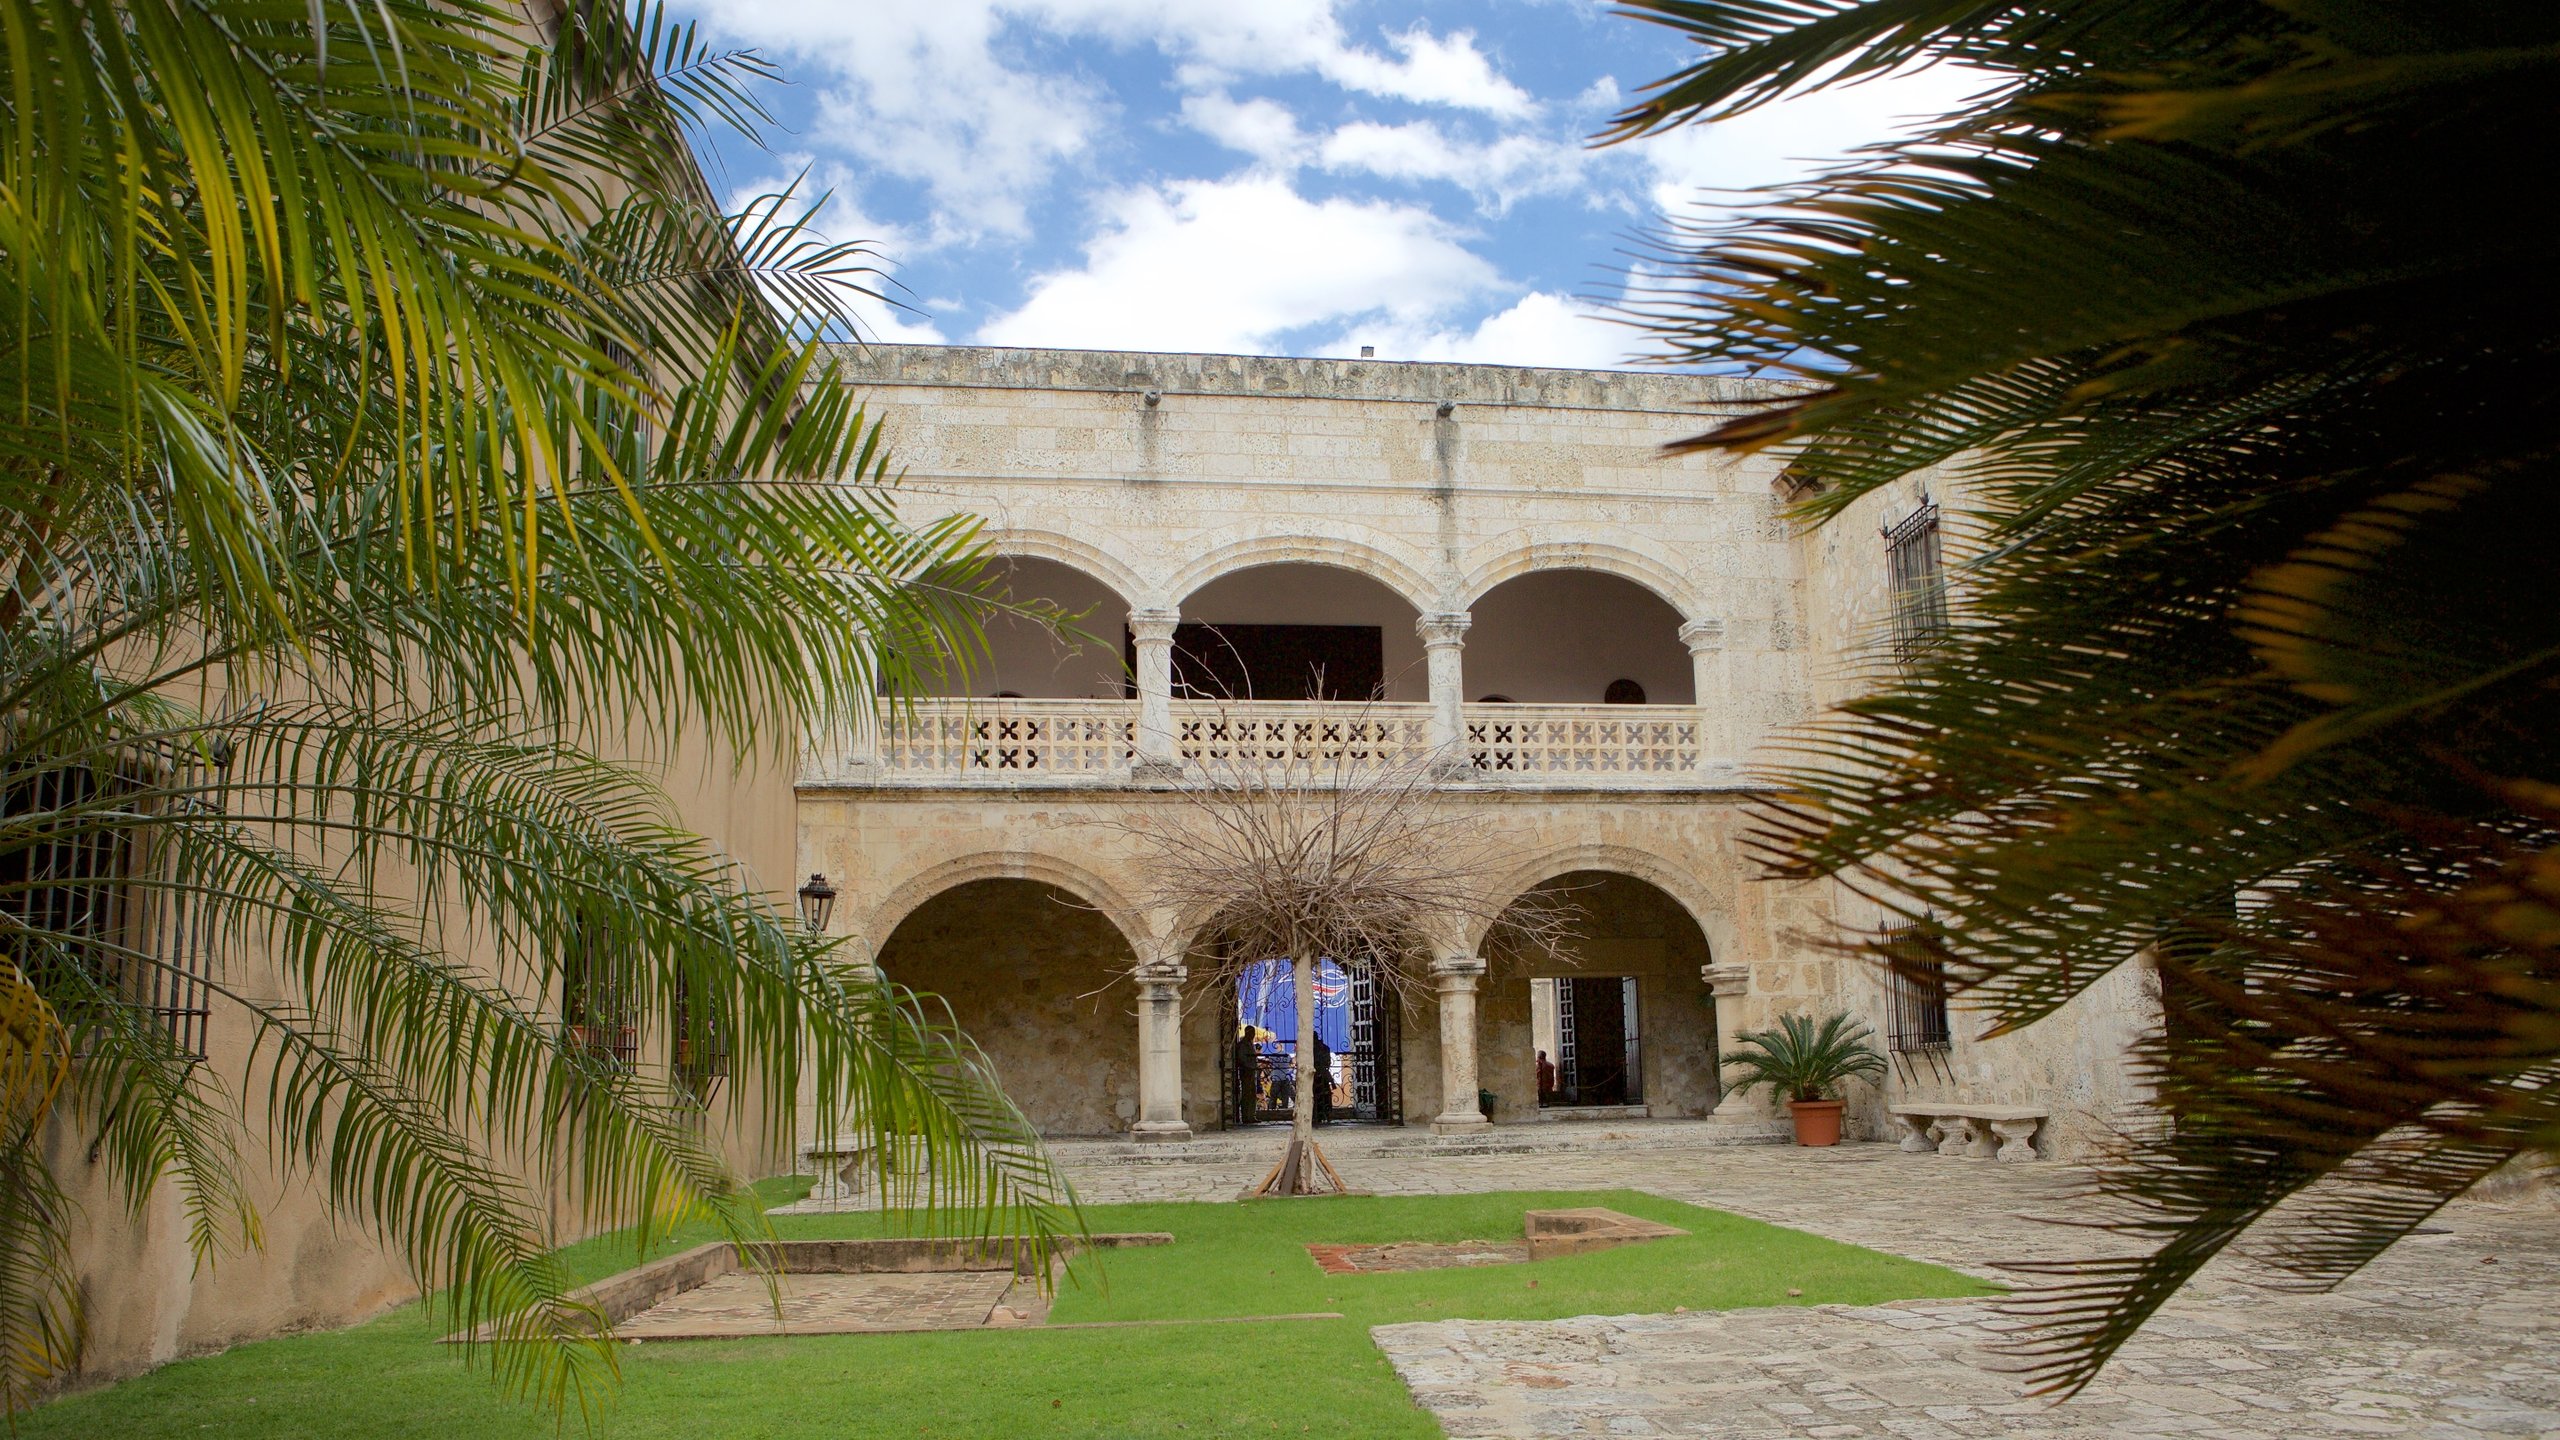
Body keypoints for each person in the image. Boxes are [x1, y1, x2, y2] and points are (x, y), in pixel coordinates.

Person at [1231, 1024, 1259, 1124]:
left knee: (1252, 1094)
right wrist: (1251, 1066)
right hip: (1246, 1071)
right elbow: (1242, 1059)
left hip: (1251, 1071)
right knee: (1247, 1094)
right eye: (1252, 1033)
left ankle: (1251, 1115)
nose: (1253, 1035)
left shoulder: (1249, 1043)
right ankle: (1246, 1116)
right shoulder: (1243, 1044)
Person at [1311, 1033, 1335, 1125]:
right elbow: (1327, 1062)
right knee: (1325, 1095)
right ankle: (1327, 1114)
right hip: (1323, 1074)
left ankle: (1316, 1115)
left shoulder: (1309, 1048)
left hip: (1313, 1074)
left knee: (1314, 1095)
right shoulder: (1325, 1047)